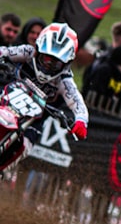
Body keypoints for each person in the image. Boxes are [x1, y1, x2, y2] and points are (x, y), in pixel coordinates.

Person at [0, 22, 89, 156]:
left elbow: (77, 102)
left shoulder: (65, 80)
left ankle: (7, 172)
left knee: (23, 148)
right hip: (6, 100)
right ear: (38, 51)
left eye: (56, 63)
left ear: (66, 63)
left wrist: (81, 121)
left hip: (33, 121)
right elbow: (4, 51)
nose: (48, 66)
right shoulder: (27, 52)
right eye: (46, 59)